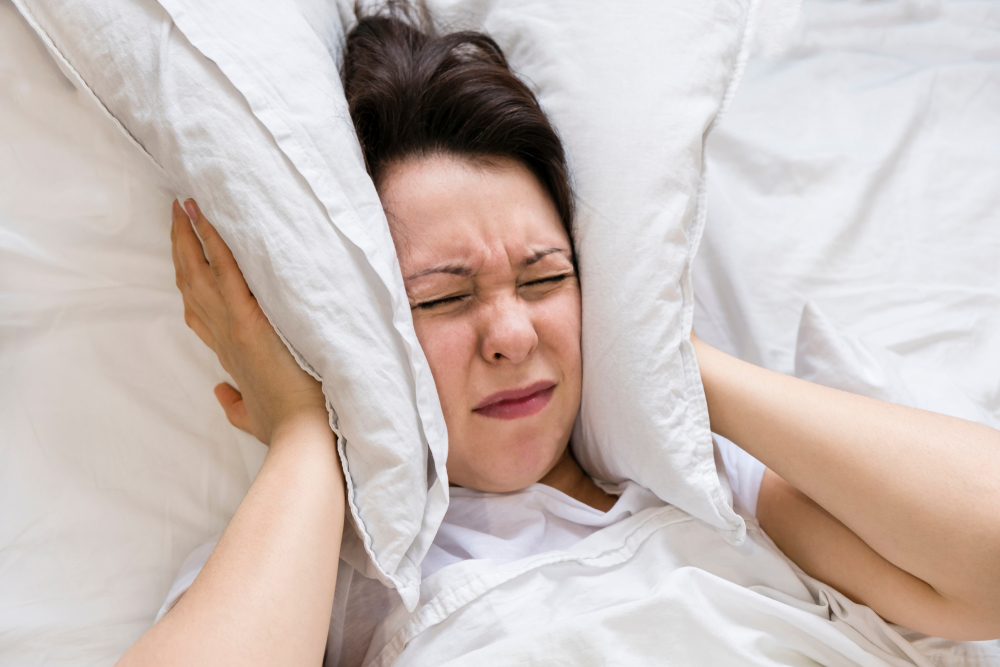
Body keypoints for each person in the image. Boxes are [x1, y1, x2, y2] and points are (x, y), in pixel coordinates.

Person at [116, 8, 1000, 666]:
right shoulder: (337, 570)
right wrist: (310, 431)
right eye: (444, 298)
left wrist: (666, 363)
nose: (511, 334)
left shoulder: (707, 484)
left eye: (543, 279)